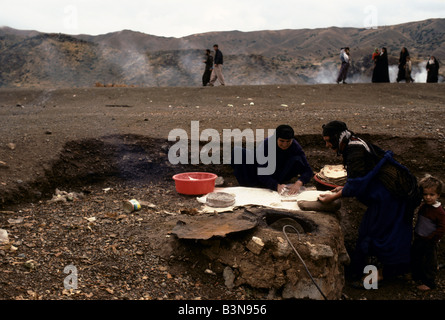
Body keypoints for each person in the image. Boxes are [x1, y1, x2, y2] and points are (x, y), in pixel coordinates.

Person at [318, 121, 421, 282]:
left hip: (391, 197)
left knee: (381, 234)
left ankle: (384, 274)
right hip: (385, 196)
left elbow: (357, 183)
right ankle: (374, 271)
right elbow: (361, 176)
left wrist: (335, 196)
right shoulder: (353, 143)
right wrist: (342, 189)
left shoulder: (354, 150)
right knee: (372, 231)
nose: (327, 145)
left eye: (328, 140)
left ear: (338, 137)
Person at [231, 125, 313, 195]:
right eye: (282, 141)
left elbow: (308, 170)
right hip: (261, 170)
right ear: (276, 138)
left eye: (288, 141)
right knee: (238, 152)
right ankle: (250, 187)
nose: (285, 145)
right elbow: (262, 173)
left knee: (297, 158)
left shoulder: (295, 146)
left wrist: (299, 183)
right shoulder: (266, 144)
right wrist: (276, 185)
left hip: (280, 171)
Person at [411, 175, 445, 291]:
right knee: (417, 256)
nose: (428, 197)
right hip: (420, 237)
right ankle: (417, 275)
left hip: (430, 240)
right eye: (425, 194)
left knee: (429, 261)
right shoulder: (424, 206)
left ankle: (429, 282)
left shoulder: (439, 211)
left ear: (438, 195)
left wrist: (433, 238)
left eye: (432, 195)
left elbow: (442, 227)